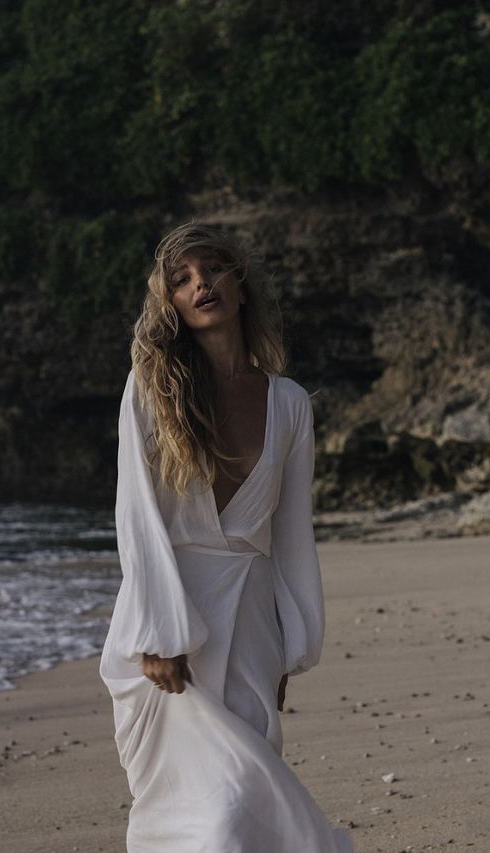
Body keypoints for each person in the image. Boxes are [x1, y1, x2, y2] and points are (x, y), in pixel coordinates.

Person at [99, 222, 353, 852]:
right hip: (172, 620)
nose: (200, 284)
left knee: (245, 800)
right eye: (182, 280)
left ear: (240, 284)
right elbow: (136, 514)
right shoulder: (151, 391)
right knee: (203, 814)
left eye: (211, 269)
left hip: (251, 624)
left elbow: (293, 535)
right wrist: (157, 629)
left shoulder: (291, 403)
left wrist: (295, 639)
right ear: (172, 307)